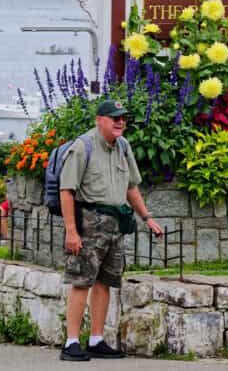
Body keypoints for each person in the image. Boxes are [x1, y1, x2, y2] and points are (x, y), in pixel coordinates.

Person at [58, 99, 163, 362]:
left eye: (123, 118)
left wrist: (146, 217)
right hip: (90, 222)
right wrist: (71, 230)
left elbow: (130, 186)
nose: (120, 122)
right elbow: (67, 190)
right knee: (82, 281)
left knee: (106, 282)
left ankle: (96, 339)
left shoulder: (123, 147)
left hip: (115, 224)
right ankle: (71, 342)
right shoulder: (83, 147)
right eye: (114, 117)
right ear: (99, 119)